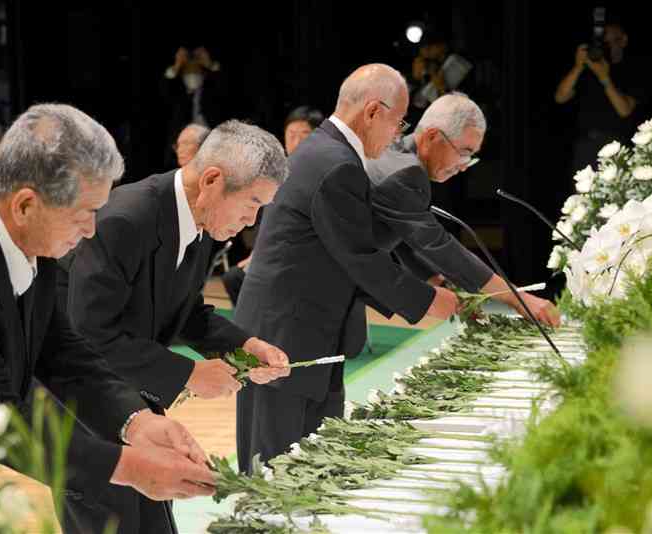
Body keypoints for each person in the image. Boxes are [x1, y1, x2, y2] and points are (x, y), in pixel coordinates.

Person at [0, 103, 216, 534]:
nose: (93, 229)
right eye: (84, 213)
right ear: (26, 204)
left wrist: (137, 422)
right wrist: (129, 468)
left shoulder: (20, 231)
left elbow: (59, 350)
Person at [58, 120, 291, 532]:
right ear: (213, 180)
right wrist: (190, 374)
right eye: (252, 203)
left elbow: (184, 310)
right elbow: (87, 335)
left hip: (132, 396)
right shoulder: (126, 220)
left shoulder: (198, 221)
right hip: (84, 404)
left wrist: (245, 344)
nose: (253, 221)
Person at [233, 64, 460, 473]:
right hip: (283, 336)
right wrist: (431, 301)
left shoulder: (330, 152)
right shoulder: (334, 162)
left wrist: (425, 285)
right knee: (275, 475)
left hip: (309, 333)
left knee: (314, 467)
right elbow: (361, 259)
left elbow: (354, 248)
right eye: (398, 121)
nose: (398, 134)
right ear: (374, 111)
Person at [366, 93, 561, 325]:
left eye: (471, 157)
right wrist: (519, 299)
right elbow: (439, 245)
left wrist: (438, 282)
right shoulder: (405, 173)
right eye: (465, 152)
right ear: (432, 136)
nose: (463, 166)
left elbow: (402, 237)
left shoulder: (397, 155)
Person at [221, 105, 324, 306]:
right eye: (291, 134)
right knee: (235, 278)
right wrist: (256, 254)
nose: (296, 141)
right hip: (273, 254)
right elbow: (267, 222)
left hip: (304, 256)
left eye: (304, 134)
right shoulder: (276, 173)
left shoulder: (323, 172)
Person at [554, 19, 645, 175]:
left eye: (612, 41)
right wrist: (578, 66)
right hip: (585, 146)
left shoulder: (633, 70)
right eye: (604, 42)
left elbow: (624, 110)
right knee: (583, 198)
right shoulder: (590, 69)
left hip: (616, 146)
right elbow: (560, 97)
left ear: (623, 40)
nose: (608, 46)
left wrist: (605, 78)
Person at [160, 46, 226, 169]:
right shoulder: (178, 93)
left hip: (212, 140)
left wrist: (209, 64)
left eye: (195, 71)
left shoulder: (211, 90)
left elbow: (225, 88)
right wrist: (177, 65)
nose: (192, 74)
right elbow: (163, 93)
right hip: (183, 145)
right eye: (188, 71)